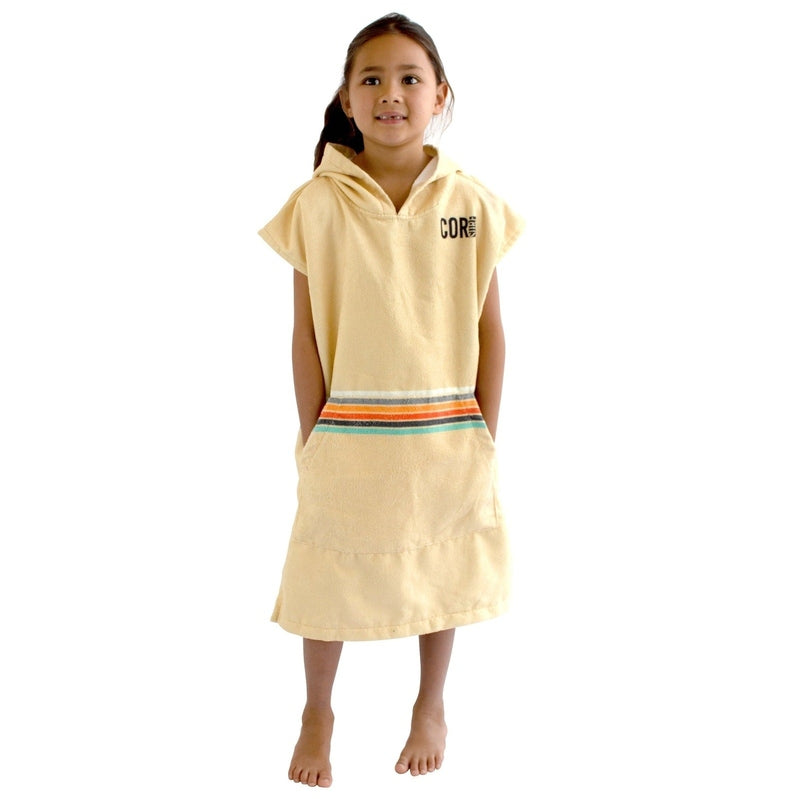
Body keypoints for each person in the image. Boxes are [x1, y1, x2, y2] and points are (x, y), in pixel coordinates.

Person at [258, 12, 524, 787]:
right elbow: (304, 333)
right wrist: (313, 433)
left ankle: (430, 703)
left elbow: (491, 328)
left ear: (440, 94)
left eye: (410, 77)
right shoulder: (316, 205)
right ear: (346, 98)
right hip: (348, 429)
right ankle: (317, 710)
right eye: (370, 78)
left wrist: (483, 430)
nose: (390, 93)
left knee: (443, 564)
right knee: (325, 567)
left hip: (447, 427)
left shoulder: (469, 204)